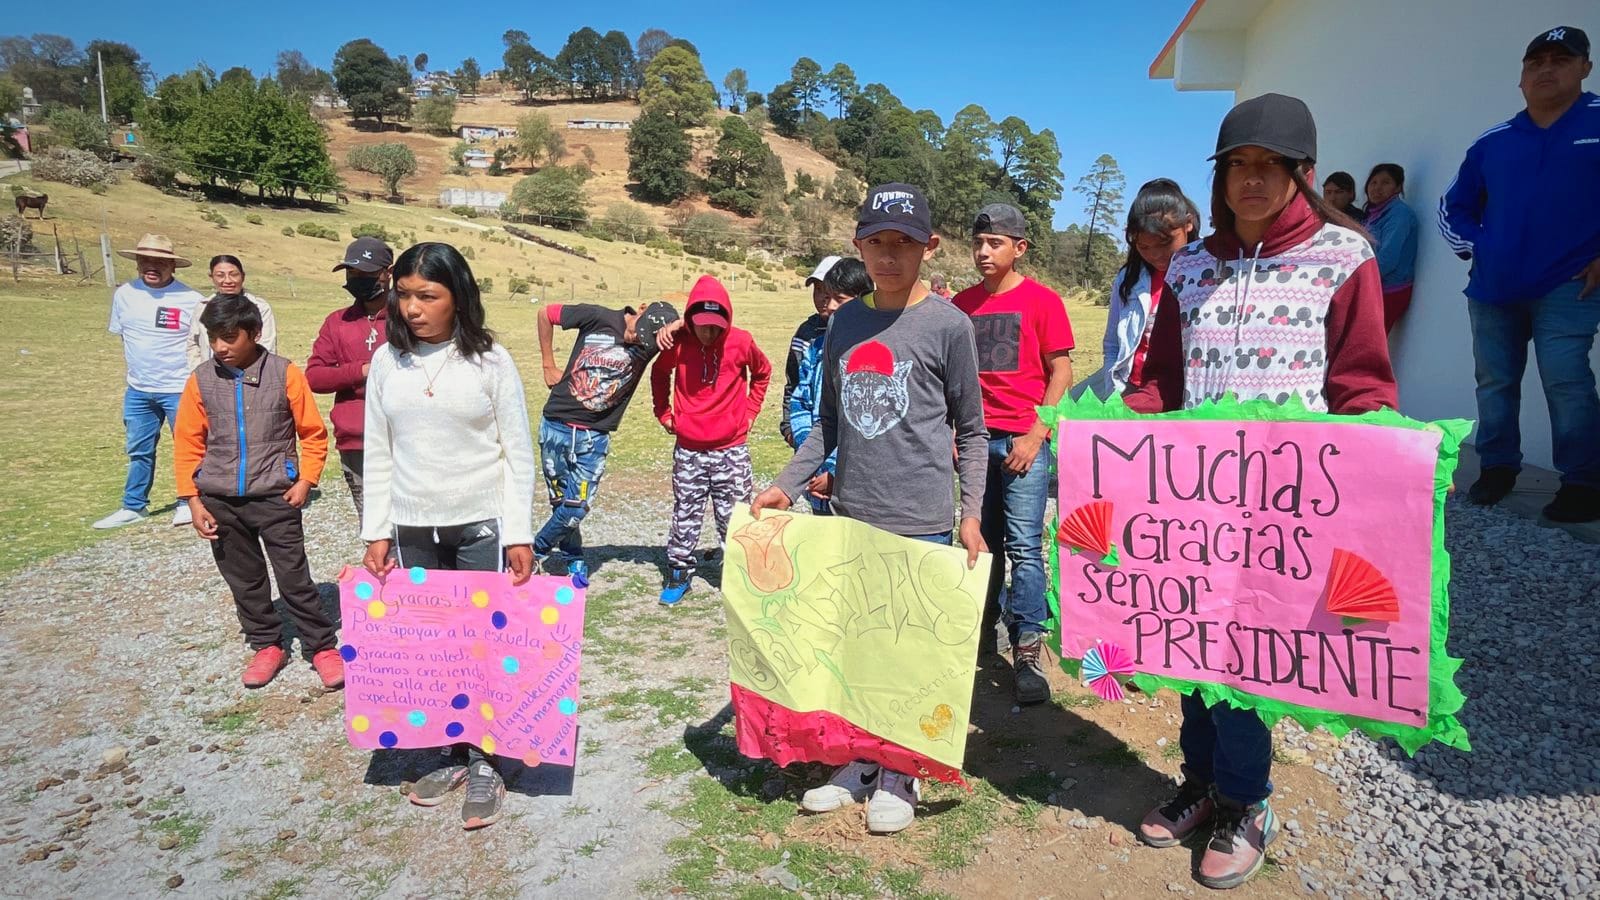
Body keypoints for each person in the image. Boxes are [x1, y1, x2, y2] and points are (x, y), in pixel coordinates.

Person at [1125, 93, 1395, 891]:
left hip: (1288, 512)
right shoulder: (1192, 266)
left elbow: (1362, 383)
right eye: (1237, 165)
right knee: (1187, 644)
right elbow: (1161, 381)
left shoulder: (1346, 258)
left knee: (1246, 661)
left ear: (1302, 175)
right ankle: (1200, 784)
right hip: (1192, 507)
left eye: (1269, 166)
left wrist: (1380, 476)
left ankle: (1247, 801)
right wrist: (1114, 429)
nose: (1250, 180)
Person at [751, 182, 989, 835]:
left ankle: (901, 770)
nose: (889, 255)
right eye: (877, 242)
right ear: (859, 245)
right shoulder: (846, 322)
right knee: (855, 646)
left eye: (903, 243)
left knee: (908, 651)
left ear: (928, 247)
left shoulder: (949, 326)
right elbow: (827, 423)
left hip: (921, 520)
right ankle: (859, 761)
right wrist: (787, 484)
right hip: (849, 516)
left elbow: (972, 431)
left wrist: (970, 513)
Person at [358, 242, 537, 831]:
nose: (412, 308)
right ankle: (455, 751)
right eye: (403, 294)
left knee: (482, 641)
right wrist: (377, 530)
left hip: (481, 525)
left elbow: (517, 453)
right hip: (413, 528)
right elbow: (378, 452)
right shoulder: (387, 362)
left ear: (458, 298)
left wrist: (517, 532)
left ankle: (489, 760)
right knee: (435, 647)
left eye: (427, 295)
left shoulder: (491, 361)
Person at [1438, 25, 1600, 523]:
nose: (1546, 69)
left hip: (1569, 286)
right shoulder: (1494, 142)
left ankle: (1582, 482)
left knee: (1567, 381)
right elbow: (1453, 207)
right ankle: (1498, 467)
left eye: (1561, 59)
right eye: (1536, 62)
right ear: (1522, 78)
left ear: (1585, 68)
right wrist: (1480, 247)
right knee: (1494, 382)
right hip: (1492, 289)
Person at [173, 295, 342, 691]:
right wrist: (192, 499)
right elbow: (187, 442)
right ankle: (266, 644)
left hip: (276, 496)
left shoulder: (284, 373)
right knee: (244, 580)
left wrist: (306, 481)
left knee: (294, 577)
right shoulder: (200, 379)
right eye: (213, 337)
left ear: (256, 333)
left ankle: (321, 646)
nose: (219, 347)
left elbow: (313, 433)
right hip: (219, 499)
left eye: (230, 337)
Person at [951, 202, 1075, 705]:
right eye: (978, 242)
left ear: (1019, 248)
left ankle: (1027, 648)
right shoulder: (959, 305)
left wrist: (1036, 434)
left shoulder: (1044, 302)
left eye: (995, 243)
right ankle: (976, 637)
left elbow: (1061, 371)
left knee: (1024, 546)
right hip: (976, 442)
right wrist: (954, 436)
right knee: (980, 540)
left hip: (1024, 440)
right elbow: (949, 380)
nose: (983, 251)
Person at [535, 298, 680, 579]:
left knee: (577, 508)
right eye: (639, 330)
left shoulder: (652, 344)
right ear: (640, 309)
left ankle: (534, 551)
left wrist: (678, 326)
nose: (637, 339)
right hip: (556, 426)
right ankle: (572, 556)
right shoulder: (596, 316)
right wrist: (547, 364)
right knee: (561, 504)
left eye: (647, 339)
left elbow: (701, 323)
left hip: (595, 436)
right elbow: (545, 313)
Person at [650, 275, 772, 605]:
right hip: (689, 450)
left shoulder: (741, 342)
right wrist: (664, 413)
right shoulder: (678, 343)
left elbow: (763, 373)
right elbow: (659, 374)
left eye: (716, 326)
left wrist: (748, 414)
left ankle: (739, 577)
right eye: (701, 325)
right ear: (689, 320)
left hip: (731, 449)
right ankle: (679, 574)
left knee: (735, 515)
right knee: (685, 513)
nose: (709, 333)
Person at [94, 234, 207, 530]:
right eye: (146, 261)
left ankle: (188, 501)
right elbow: (124, 335)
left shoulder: (191, 299)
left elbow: (201, 343)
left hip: (179, 387)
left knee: (189, 446)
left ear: (172, 265)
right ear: (137, 263)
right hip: (139, 389)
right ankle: (134, 505)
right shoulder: (124, 294)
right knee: (139, 448)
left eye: (159, 262)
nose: (151, 267)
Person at [1078, 179, 1201, 400]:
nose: (1155, 255)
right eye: (1144, 246)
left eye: (1164, 244)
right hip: (1134, 393)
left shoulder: (1209, 273)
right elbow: (1112, 344)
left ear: (1188, 224)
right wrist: (1116, 392)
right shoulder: (1128, 280)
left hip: (1187, 397)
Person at [306, 237, 393, 517]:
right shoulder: (336, 321)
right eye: (351, 273)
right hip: (356, 442)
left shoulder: (410, 317)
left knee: (416, 530)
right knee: (373, 527)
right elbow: (316, 377)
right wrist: (361, 371)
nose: (357, 279)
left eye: (366, 273)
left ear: (387, 273)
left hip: (405, 439)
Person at [789, 259, 873, 515]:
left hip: (859, 488)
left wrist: (836, 471)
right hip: (818, 474)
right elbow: (799, 401)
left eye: (839, 298)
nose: (830, 305)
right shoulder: (816, 347)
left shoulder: (873, 353)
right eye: (827, 296)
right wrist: (813, 462)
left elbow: (867, 424)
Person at [780, 256, 842, 450]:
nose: (823, 297)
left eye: (830, 290)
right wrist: (789, 428)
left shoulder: (857, 333)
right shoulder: (805, 334)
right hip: (807, 434)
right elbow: (793, 384)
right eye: (818, 289)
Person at [185, 255, 278, 371]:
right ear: (211, 277)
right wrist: (198, 371)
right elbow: (193, 343)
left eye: (233, 275)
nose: (227, 280)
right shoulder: (203, 306)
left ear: (243, 277)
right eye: (220, 275)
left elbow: (267, 346)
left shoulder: (260, 307)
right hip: (210, 376)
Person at [1361, 164, 1420, 332]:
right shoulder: (1375, 213)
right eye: (1373, 183)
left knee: (1367, 345)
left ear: (1398, 187)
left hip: (1389, 290)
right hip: (1374, 287)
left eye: (1385, 183)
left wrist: (1359, 283)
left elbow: (1388, 259)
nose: (1377, 188)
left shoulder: (1399, 215)